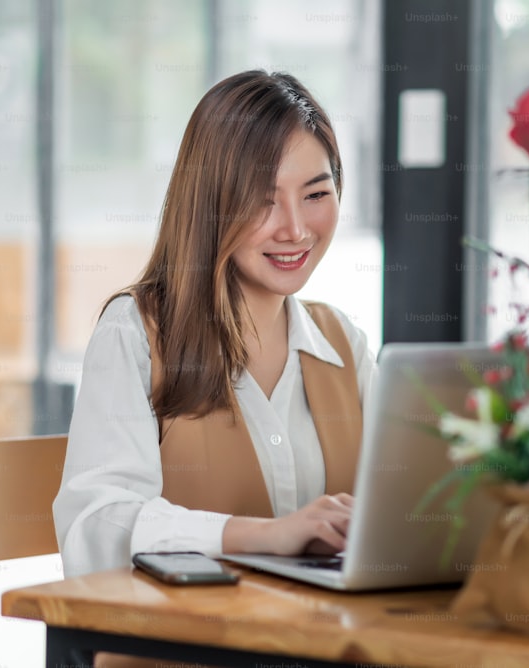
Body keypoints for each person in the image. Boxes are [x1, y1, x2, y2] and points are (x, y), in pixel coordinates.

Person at [53, 70, 376, 578]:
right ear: (211, 203)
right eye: (263, 199)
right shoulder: (135, 332)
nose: (295, 228)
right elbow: (95, 529)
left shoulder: (344, 344)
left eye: (316, 194)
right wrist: (264, 535)